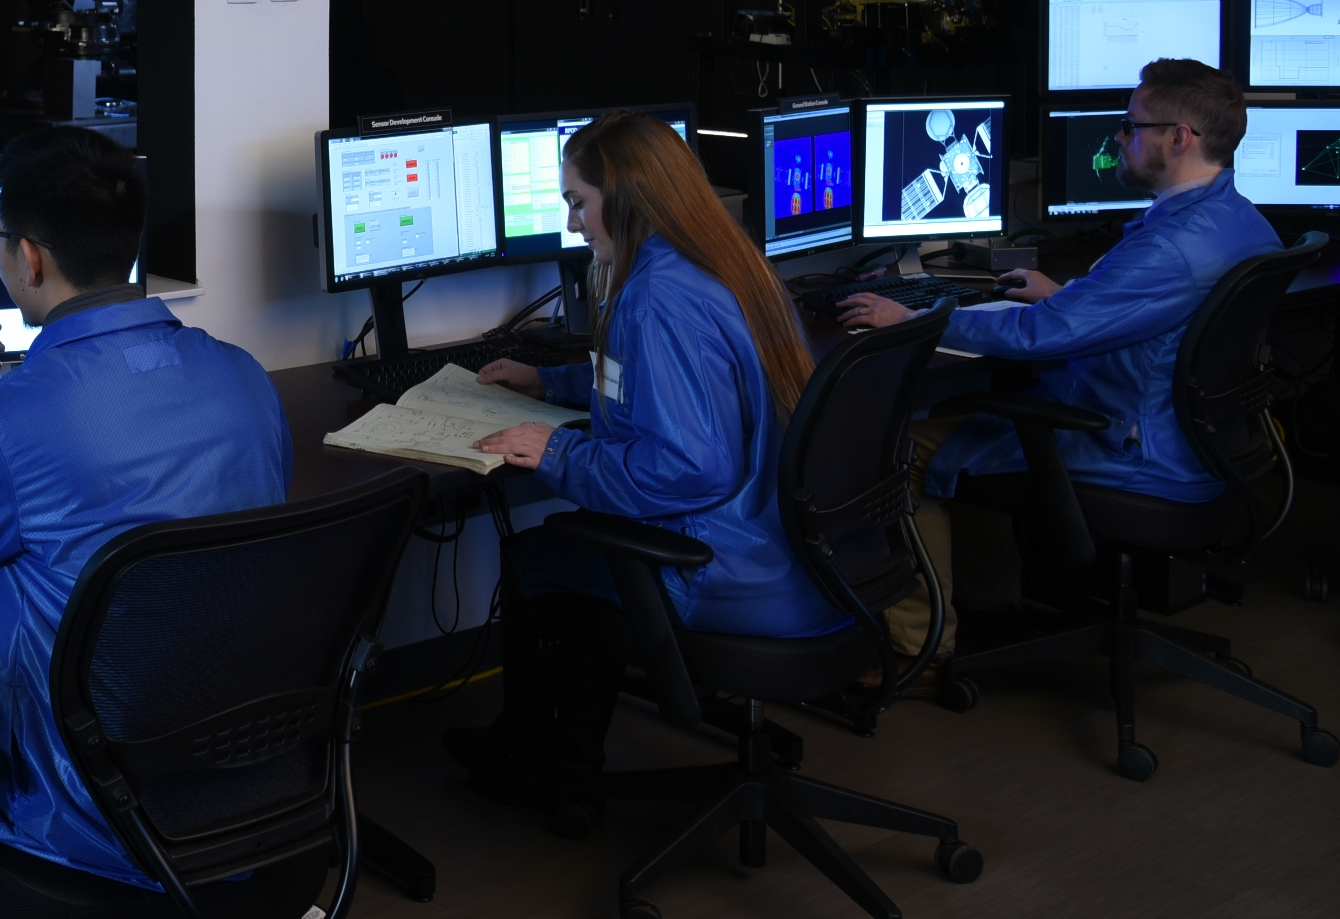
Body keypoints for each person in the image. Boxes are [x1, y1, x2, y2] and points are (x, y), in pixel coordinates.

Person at [0, 126, 291, 912]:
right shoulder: (244, 378)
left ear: (31, 258)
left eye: (3, 242)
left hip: (88, 823)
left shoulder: (14, 416)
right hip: (241, 784)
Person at [450, 112, 835, 833]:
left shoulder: (654, 296)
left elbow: (687, 467)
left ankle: (545, 767)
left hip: (722, 567)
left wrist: (558, 452)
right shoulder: (722, 263)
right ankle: (561, 755)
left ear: (623, 199)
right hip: (794, 554)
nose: (572, 225)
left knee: (541, 556)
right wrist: (554, 384)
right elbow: (667, 389)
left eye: (577, 202)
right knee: (576, 550)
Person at [841, 57, 1279, 660]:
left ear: (1179, 138)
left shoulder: (1170, 249)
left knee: (904, 451)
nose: (1120, 139)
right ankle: (994, 605)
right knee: (987, 415)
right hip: (1204, 444)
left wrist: (915, 319)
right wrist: (1075, 297)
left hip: (1132, 448)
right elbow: (1154, 313)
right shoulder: (1241, 222)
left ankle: (920, 652)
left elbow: (1036, 337)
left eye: (1132, 126)